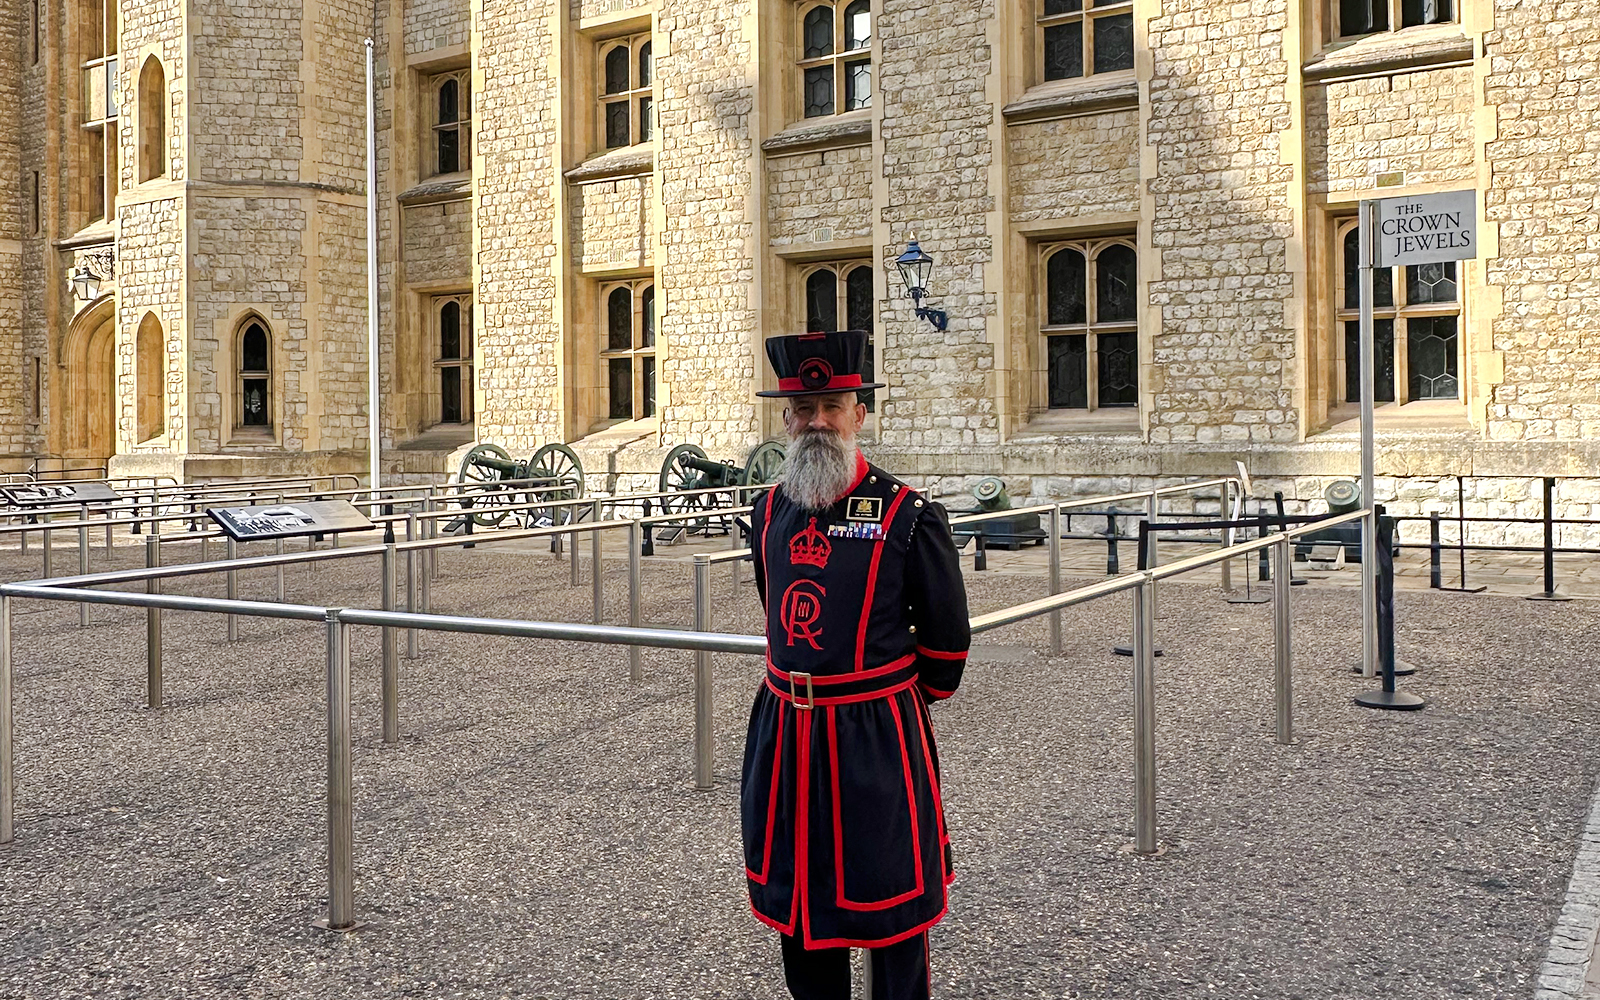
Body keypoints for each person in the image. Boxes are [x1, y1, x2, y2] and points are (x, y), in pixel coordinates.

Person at [741, 329, 971, 1000]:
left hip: (875, 737)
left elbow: (947, 646)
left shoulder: (907, 514)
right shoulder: (766, 512)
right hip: (785, 734)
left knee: (893, 912)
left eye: (831, 406)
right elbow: (776, 609)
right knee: (802, 913)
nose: (817, 422)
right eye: (803, 410)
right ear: (786, 420)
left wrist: (882, 696)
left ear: (858, 414)